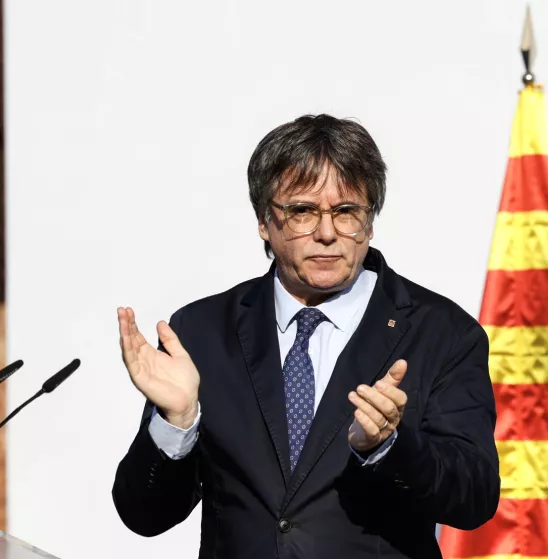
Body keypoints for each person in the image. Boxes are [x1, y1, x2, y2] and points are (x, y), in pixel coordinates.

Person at [112, 114, 500, 559]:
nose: (327, 233)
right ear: (264, 221)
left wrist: (391, 446)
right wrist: (175, 422)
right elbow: (144, 515)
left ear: (369, 222)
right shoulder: (201, 333)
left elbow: (475, 497)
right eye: (302, 211)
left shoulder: (442, 332)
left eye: (346, 211)